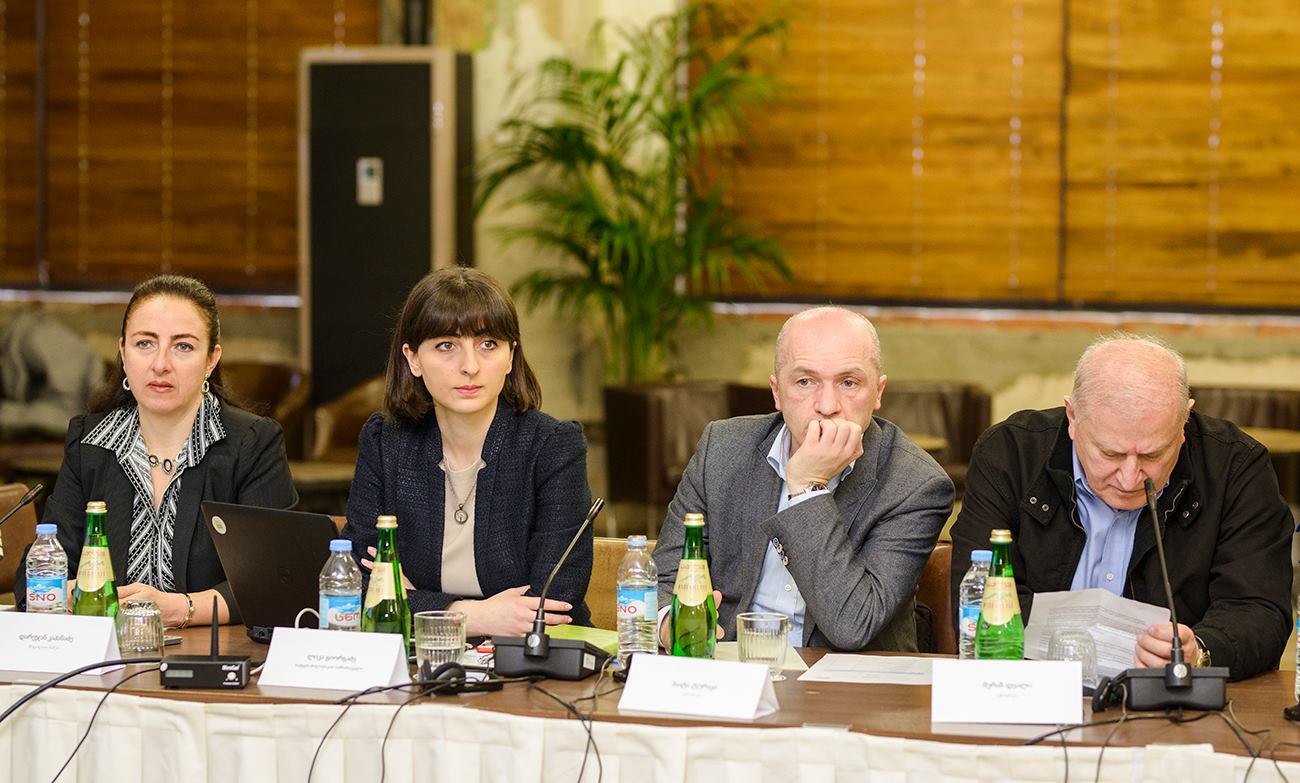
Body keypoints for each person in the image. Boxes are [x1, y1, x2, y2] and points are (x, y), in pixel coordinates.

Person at [949, 334, 1292, 680]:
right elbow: (979, 596)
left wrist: (1201, 650)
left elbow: (1259, 609)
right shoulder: (1011, 454)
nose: (1129, 479)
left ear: (1184, 422)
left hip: (1171, 698)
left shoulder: (1235, 468)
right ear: (1072, 417)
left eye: (1152, 455)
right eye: (1110, 454)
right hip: (1032, 686)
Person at [651, 307, 955, 651]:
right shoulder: (722, 449)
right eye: (805, 382)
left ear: (878, 392)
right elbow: (664, 578)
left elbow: (854, 626)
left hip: (845, 677)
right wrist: (670, 624)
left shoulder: (916, 485)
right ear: (777, 392)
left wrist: (808, 488)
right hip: (731, 665)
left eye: (849, 382)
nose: (827, 405)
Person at [16, 274, 298, 626]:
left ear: (211, 360)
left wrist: (182, 608)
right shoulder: (90, 442)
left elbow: (278, 579)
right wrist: (66, 593)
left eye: (183, 347)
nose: (161, 363)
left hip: (211, 652)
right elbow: (39, 569)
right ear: (123, 352)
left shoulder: (252, 443)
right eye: (145, 343)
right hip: (105, 649)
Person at [342, 267, 593, 636]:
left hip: (532, 658)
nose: (470, 366)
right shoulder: (386, 443)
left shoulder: (553, 447)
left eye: (488, 344)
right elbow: (354, 586)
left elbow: (554, 600)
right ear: (413, 358)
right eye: (446, 346)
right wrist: (473, 616)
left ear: (510, 356)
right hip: (416, 658)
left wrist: (411, 603)